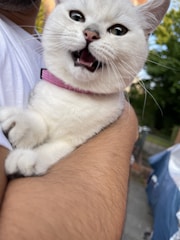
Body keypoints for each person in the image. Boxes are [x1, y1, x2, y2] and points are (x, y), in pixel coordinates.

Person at [0, 1, 138, 239]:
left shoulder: (47, 52)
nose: (90, 34)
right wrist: (124, 126)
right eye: (77, 16)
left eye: (117, 30)